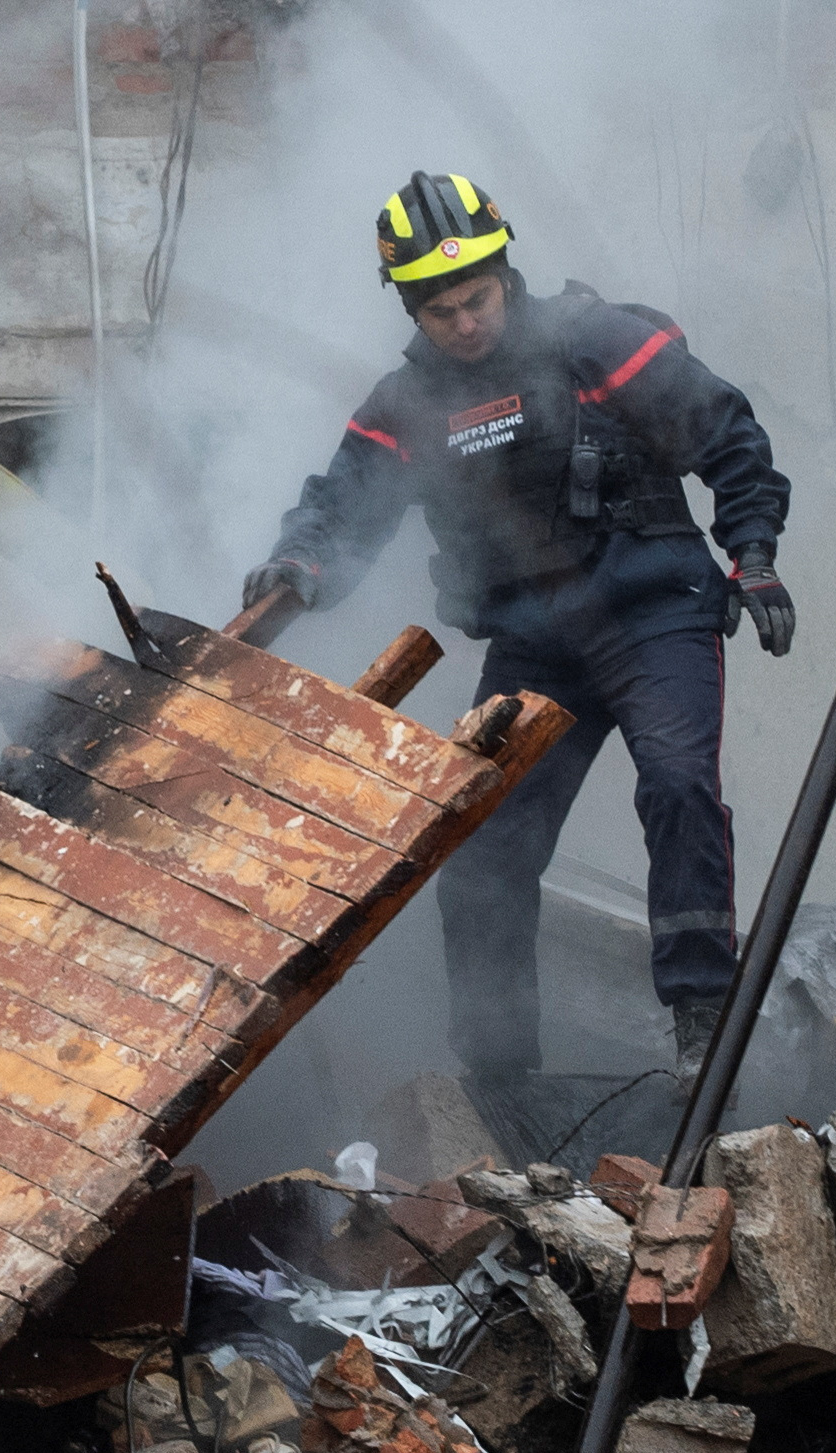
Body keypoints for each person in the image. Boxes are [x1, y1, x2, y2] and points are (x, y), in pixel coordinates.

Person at [242, 172, 794, 1084]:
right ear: (410, 311)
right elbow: (340, 510)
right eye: (441, 311)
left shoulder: (600, 343)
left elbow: (730, 437)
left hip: (654, 614)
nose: (466, 323)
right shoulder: (404, 408)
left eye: (478, 298)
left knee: (676, 785)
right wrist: (295, 566)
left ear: (507, 272)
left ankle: (701, 1023)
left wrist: (755, 555)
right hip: (537, 646)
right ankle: (498, 1078)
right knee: (482, 852)